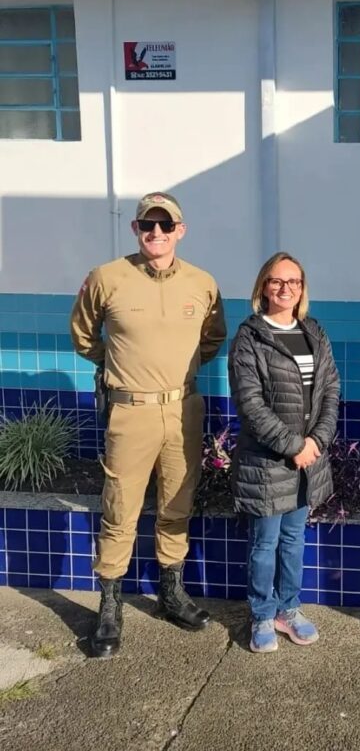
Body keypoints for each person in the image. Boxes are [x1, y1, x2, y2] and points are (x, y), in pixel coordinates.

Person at [70, 191, 227, 658]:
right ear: (136, 229)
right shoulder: (107, 277)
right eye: (146, 225)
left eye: (165, 225)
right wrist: (116, 362)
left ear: (181, 229)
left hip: (183, 409)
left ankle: (171, 593)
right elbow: (82, 335)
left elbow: (213, 338)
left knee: (177, 503)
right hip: (130, 411)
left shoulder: (202, 283)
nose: (155, 233)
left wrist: (177, 371)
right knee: (121, 508)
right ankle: (110, 606)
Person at [228, 252, 340, 653]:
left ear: (302, 288)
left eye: (293, 282)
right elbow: (250, 403)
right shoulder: (249, 337)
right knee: (265, 543)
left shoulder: (314, 332)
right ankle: (261, 613)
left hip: (307, 461)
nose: (285, 289)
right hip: (267, 461)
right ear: (263, 287)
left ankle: (288, 610)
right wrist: (292, 445)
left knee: (294, 541)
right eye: (277, 281)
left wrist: (315, 443)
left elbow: (330, 391)